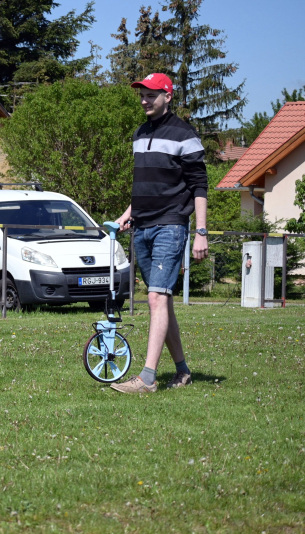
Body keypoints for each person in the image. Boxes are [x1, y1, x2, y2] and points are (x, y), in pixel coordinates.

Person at [111, 73, 209, 394]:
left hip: (171, 224)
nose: (144, 100)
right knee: (161, 300)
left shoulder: (185, 134)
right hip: (142, 227)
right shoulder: (139, 134)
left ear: (167, 96)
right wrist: (128, 215)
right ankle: (182, 371)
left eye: (151, 94)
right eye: (141, 94)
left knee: (155, 297)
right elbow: (144, 186)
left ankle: (147, 378)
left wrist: (201, 232)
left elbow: (199, 186)